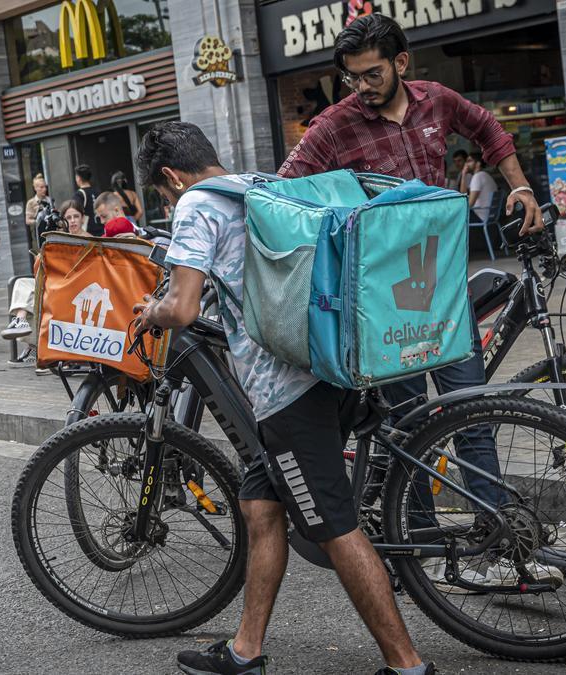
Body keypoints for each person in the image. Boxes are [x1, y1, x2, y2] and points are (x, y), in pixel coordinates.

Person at [136, 121, 433, 675]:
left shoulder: (195, 204)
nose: (166, 197)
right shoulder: (262, 185)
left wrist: (150, 311)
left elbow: (181, 308)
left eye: (161, 190)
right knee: (260, 505)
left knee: (334, 526)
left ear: (171, 178)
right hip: (333, 367)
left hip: (287, 393)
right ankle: (245, 650)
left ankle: (407, 665)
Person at [280, 14, 557, 591]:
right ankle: (421, 548)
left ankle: (495, 543)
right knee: (409, 427)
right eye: (352, 77)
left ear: (401, 64)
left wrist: (521, 185)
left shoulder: (438, 102)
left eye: (373, 73)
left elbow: (491, 133)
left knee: (470, 415)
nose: (362, 86)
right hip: (383, 308)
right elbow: (289, 186)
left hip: (444, 296)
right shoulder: (335, 124)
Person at [461, 152, 499, 222]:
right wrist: (463, 175)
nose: (466, 164)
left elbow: (469, 204)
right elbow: (463, 195)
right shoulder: (485, 175)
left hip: (480, 217)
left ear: (478, 164)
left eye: (469, 161)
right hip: (489, 215)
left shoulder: (478, 177)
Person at [72, 164, 103, 236]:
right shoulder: (98, 192)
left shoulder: (79, 195)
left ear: (78, 178)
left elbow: (75, 212)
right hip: (101, 230)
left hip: (87, 232)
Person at [25, 173, 52, 244]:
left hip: (50, 232)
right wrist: (39, 221)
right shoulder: (31, 202)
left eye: (45, 187)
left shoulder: (50, 200)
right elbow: (27, 220)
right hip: (37, 233)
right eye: (41, 187)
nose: (44, 189)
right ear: (35, 188)